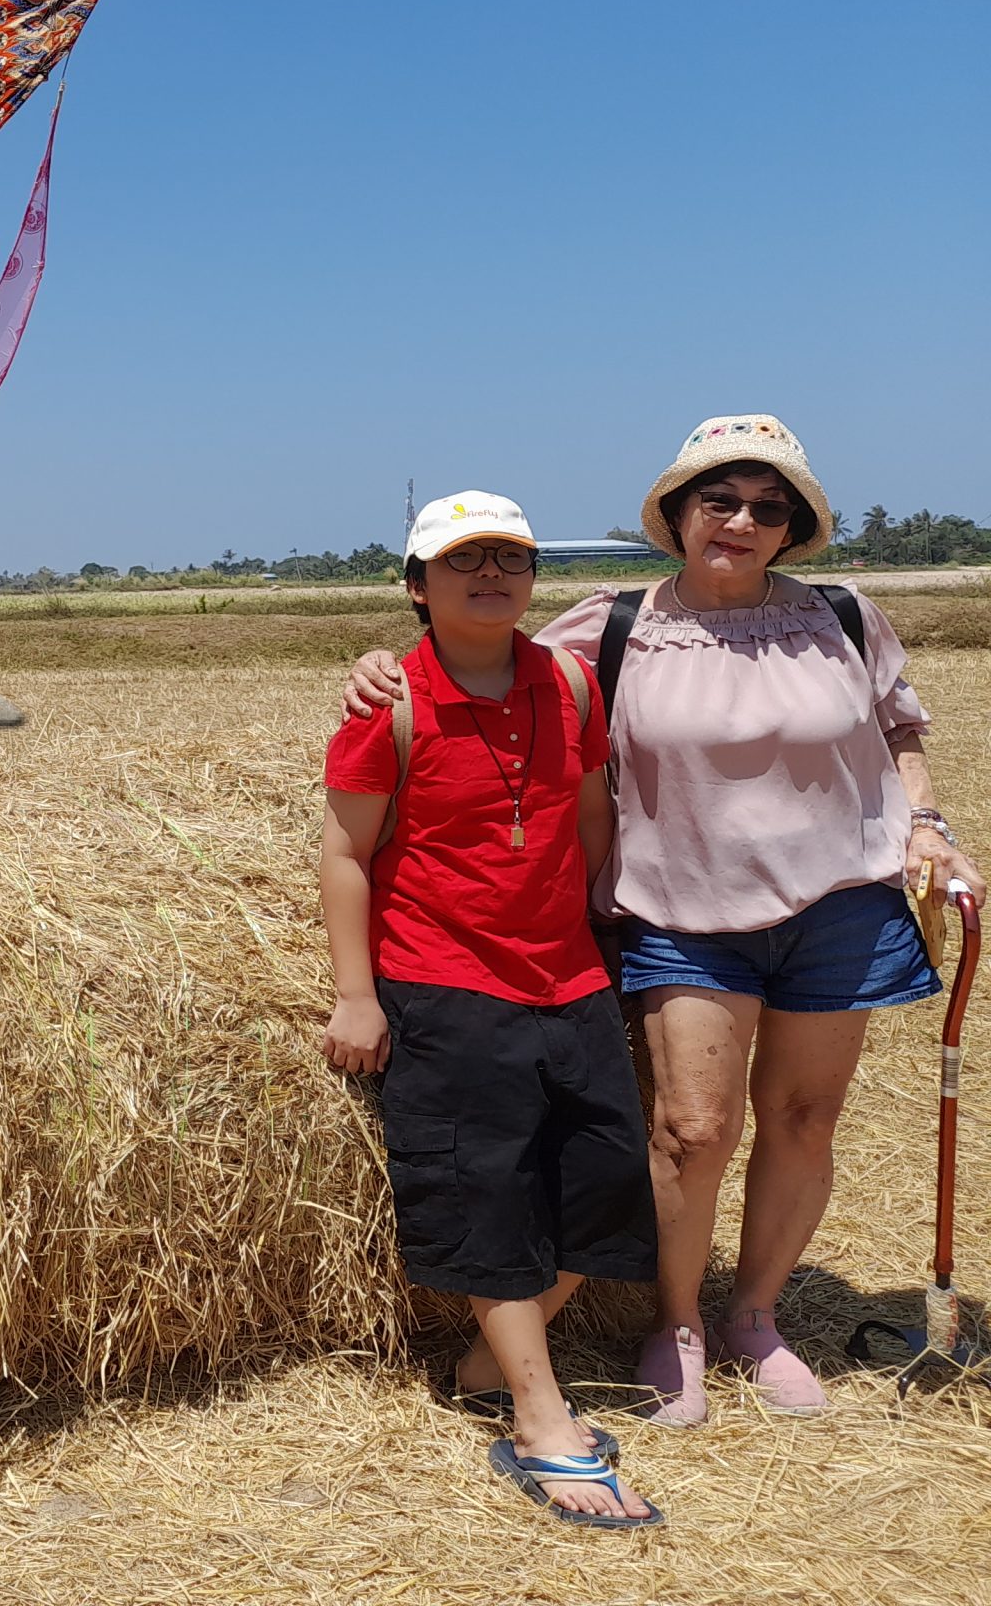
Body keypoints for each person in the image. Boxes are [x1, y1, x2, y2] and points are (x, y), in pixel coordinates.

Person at [344, 417, 983, 1427]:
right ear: (677, 516)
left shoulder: (844, 616)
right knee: (691, 1129)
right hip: (681, 906)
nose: (739, 521)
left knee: (805, 1119)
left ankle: (758, 1318)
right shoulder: (609, 626)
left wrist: (926, 823)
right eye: (717, 501)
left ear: (792, 527)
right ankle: (676, 1323)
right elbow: (481, 657)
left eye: (766, 507)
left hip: (840, 903)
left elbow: (897, 728)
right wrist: (379, 664)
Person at [321, 491, 662, 1528]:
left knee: (606, 1186)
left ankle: (483, 1358)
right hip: (444, 981)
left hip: (568, 977)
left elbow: (591, 810)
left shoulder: (565, 683)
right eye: (461, 558)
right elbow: (343, 853)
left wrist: (596, 927)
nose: (490, 574)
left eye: (509, 557)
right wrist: (356, 995)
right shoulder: (388, 707)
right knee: (488, 1196)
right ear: (416, 588)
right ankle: (537, 1418)